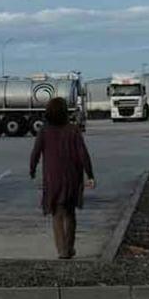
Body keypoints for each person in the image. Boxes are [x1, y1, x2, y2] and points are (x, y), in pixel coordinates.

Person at [29, 97, 95, 259]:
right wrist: (90, 174)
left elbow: (35, 152)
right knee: (70, 213)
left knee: (57, 214)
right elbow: (83, 154)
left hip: (53, 177)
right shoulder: (73, 130)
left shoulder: (44, 130)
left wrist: (32, 168)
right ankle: (69, 247)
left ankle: (62, 250)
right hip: (72, 176)